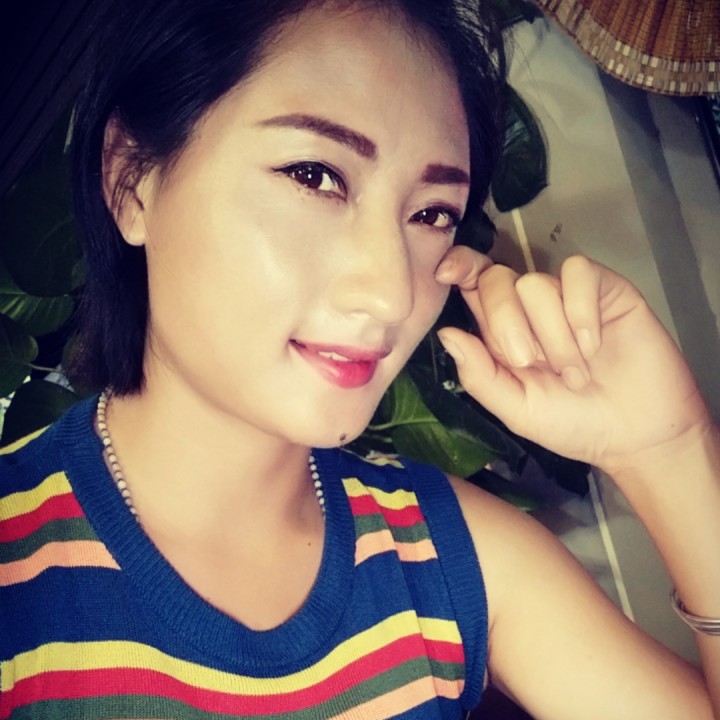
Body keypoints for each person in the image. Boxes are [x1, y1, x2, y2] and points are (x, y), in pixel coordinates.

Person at [0, 0, 718, 717]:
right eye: (315, 175)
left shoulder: (450, 558)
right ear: (132, 180)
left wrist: (670, 452)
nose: (391, 293)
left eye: (431, 214)